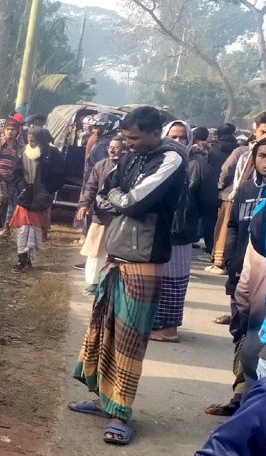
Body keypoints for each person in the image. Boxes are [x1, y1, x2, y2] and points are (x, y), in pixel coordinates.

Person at [68, 105, 185, 446]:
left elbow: (133, 201)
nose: (128, 143)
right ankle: (105, 400)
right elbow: (106, 195)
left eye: (134, 137)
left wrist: (116, 198)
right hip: (118, 256)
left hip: (144, 261)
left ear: (154, 132)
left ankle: (121, 412)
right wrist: (116, 198)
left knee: (129, 342)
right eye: (125, 137)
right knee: (105, 333)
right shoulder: (134, 156)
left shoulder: (170, 159)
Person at [205, 138, 266, 416]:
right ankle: (239, 397)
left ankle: (248, 408)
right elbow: (232, 227)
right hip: (243, 274)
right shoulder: (244, 190)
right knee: (241, 337)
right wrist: (230, 260)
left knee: (258, 346)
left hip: (263, 284)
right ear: (253, 158)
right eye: (263, 155)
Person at [151, 121, 217, 342]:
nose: (176, 142)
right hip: (158, 231)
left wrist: (213, 243)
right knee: (156, 280)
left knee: (174, 281)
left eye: (181, 138)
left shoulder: (198, 166)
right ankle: (155, 324)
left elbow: (209, 207)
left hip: (181, 233)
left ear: (189, 139)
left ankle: (169, 329)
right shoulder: (158, 161)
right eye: (172, 136)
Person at [9, 127, 64, 272]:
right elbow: (16, 174)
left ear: (42, 140)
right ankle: (22, 258)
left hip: (41, 197)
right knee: (24, 229)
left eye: (33, 139)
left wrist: (47, 190)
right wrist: (22, 187)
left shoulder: (53, 154)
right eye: (29, 138)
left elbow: (60, 177)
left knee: (34, 229)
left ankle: (29, 258)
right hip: (25, 196)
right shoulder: (23, 152)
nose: (30, 141)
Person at [77, 137, 127, 293]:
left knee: (117, 253)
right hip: (101, 214)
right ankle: (93, 282)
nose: (112, 150)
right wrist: (84, 205)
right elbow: (90, 187)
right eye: (110, 147)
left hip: (121, 216)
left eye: (116, 147)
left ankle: (112, 285)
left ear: (124, 149)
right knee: (95, 251)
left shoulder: (129, 167)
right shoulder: (100, 165)